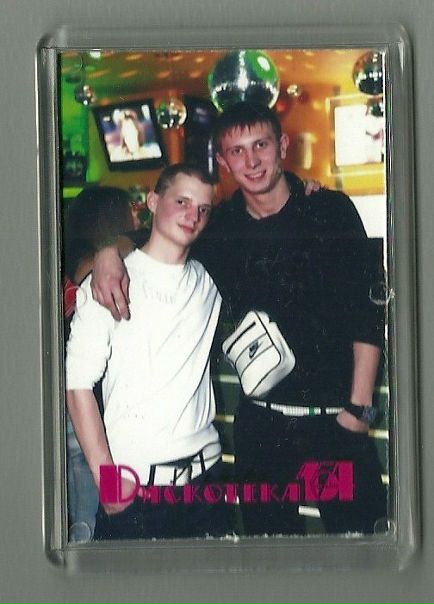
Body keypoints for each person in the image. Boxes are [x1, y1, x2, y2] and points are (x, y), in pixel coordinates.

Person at [90, 102, 387, 536]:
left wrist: (357, 411)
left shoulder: (329, 210)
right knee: (269, 551)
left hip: (333, 426)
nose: (251, 161)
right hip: (262, 430)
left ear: (282, 145)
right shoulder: (221, 227)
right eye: (237, 151)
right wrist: (107, 251)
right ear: (224, 162)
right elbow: (147, 235)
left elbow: (366, 311)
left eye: (260, 145)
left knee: (357, 547)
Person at [65, 164, 231, 540]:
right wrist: (106, 480)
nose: (193, 215)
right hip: (137, 489)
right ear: (153, 202)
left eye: (203, 208)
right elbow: (77, 385)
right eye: (182, 202)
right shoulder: (108, 281)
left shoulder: (208, 278)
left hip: (206, 483)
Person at [63, 185, 137, 542]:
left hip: (75, 403)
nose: (137, 217)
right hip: (88, 403)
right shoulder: (99, 266)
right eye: (130, 211)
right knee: (88, 516)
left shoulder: (70, 257)